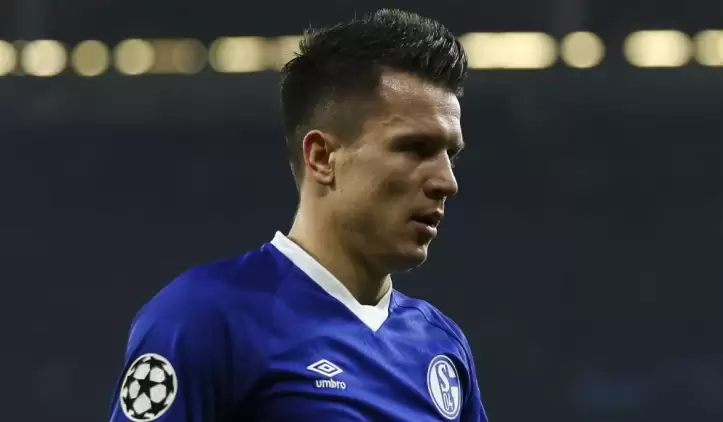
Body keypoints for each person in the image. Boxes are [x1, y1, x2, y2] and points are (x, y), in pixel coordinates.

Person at [110, 8, 487, 421]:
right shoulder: (202, 319)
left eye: (450, 155)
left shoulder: (440, 347)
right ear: (322, 157)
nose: (447, 181)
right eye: (415, 148)